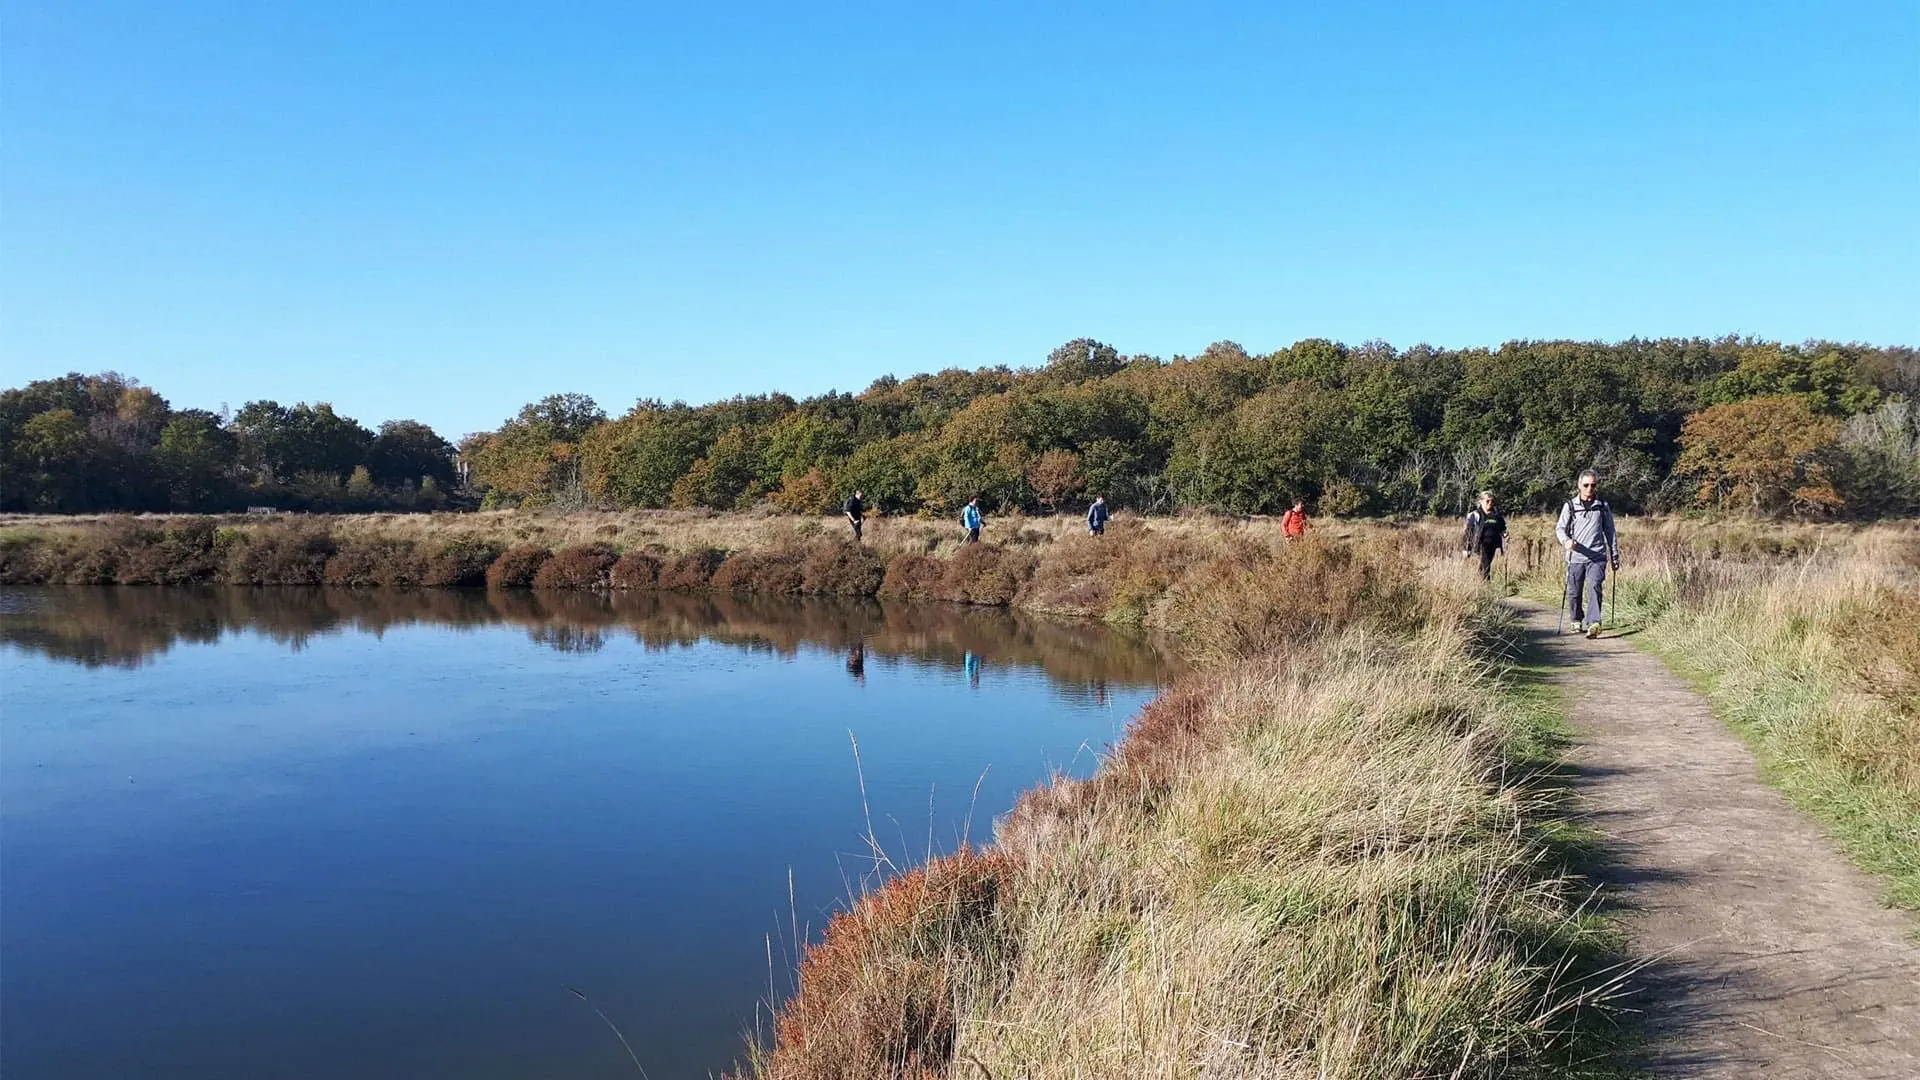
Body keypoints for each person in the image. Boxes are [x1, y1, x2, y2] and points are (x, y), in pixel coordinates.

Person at [1555, 470, 1619, 638]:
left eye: (1593, 485)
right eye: (1586, 485)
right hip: (1575, 557)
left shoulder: (1602, 506)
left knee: (1594, 586)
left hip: (1597, 557)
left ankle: (1594, 623)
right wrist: (1566, 541)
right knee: (1574, 591)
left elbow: (1610, 531)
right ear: (1579, 486)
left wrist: (1614, 555)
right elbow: (1560, 528)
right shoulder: (1570, 506)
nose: (1590, 488)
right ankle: (1576, 619)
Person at [1461, 490, 1507, 581]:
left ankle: (1482, 583)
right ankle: (1485, 583)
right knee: (1485, 564)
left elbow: (1503, 529)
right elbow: (1468, 532)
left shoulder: (1497, 516)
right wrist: (1466, 548)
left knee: (1486, 564)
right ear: (1481, 502)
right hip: (1480, 544)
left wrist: (1505, 537)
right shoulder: (1475, 515)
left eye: (1492, 501)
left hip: (1493, 545)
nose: (1490, 503)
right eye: (1487, 501)